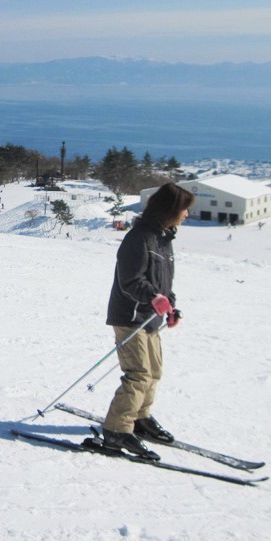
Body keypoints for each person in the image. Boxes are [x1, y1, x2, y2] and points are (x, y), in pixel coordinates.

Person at [100, 182, 195, 459]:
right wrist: (154, 298)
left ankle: (140, 418)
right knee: (138, 374)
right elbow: (130, 280)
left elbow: (164, 282)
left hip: (150, 318)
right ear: (170, 210)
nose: (186, 215)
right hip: (130, 316)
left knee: (153, 372)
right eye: (184, 210)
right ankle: (117, 431)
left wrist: (170, 307)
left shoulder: (163, 239)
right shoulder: (138, 238)